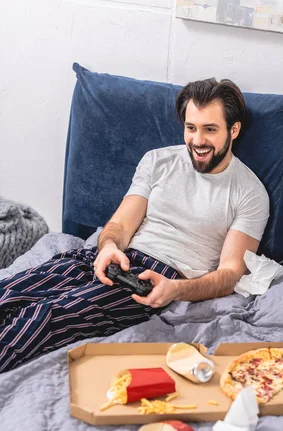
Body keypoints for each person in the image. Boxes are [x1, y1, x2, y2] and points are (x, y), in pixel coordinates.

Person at [0, 78, 269, 374]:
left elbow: (230, 274)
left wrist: (176, 290)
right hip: (117, 257)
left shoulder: (250, 193)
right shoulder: (158, 161)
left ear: (234, 130)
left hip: (160, 277)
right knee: (10, 291)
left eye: (210, 129)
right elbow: (119, 225)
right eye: (191, 128)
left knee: (47, 317)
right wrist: (108, 247)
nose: (198, 140)